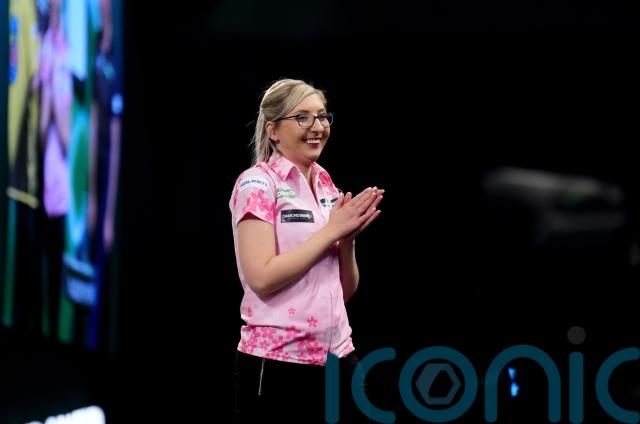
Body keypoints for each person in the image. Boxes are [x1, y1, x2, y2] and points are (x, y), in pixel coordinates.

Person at [230, 78, 384, 423]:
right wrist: (331, 231)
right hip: (279, 361)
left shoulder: (325, 183)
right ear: (273, 130)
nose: (318, 127)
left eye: (322, 116)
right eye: (302, 117)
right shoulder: (257, 184)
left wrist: (347, 241)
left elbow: (344, 291)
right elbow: (261, 278)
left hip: (338, 354)